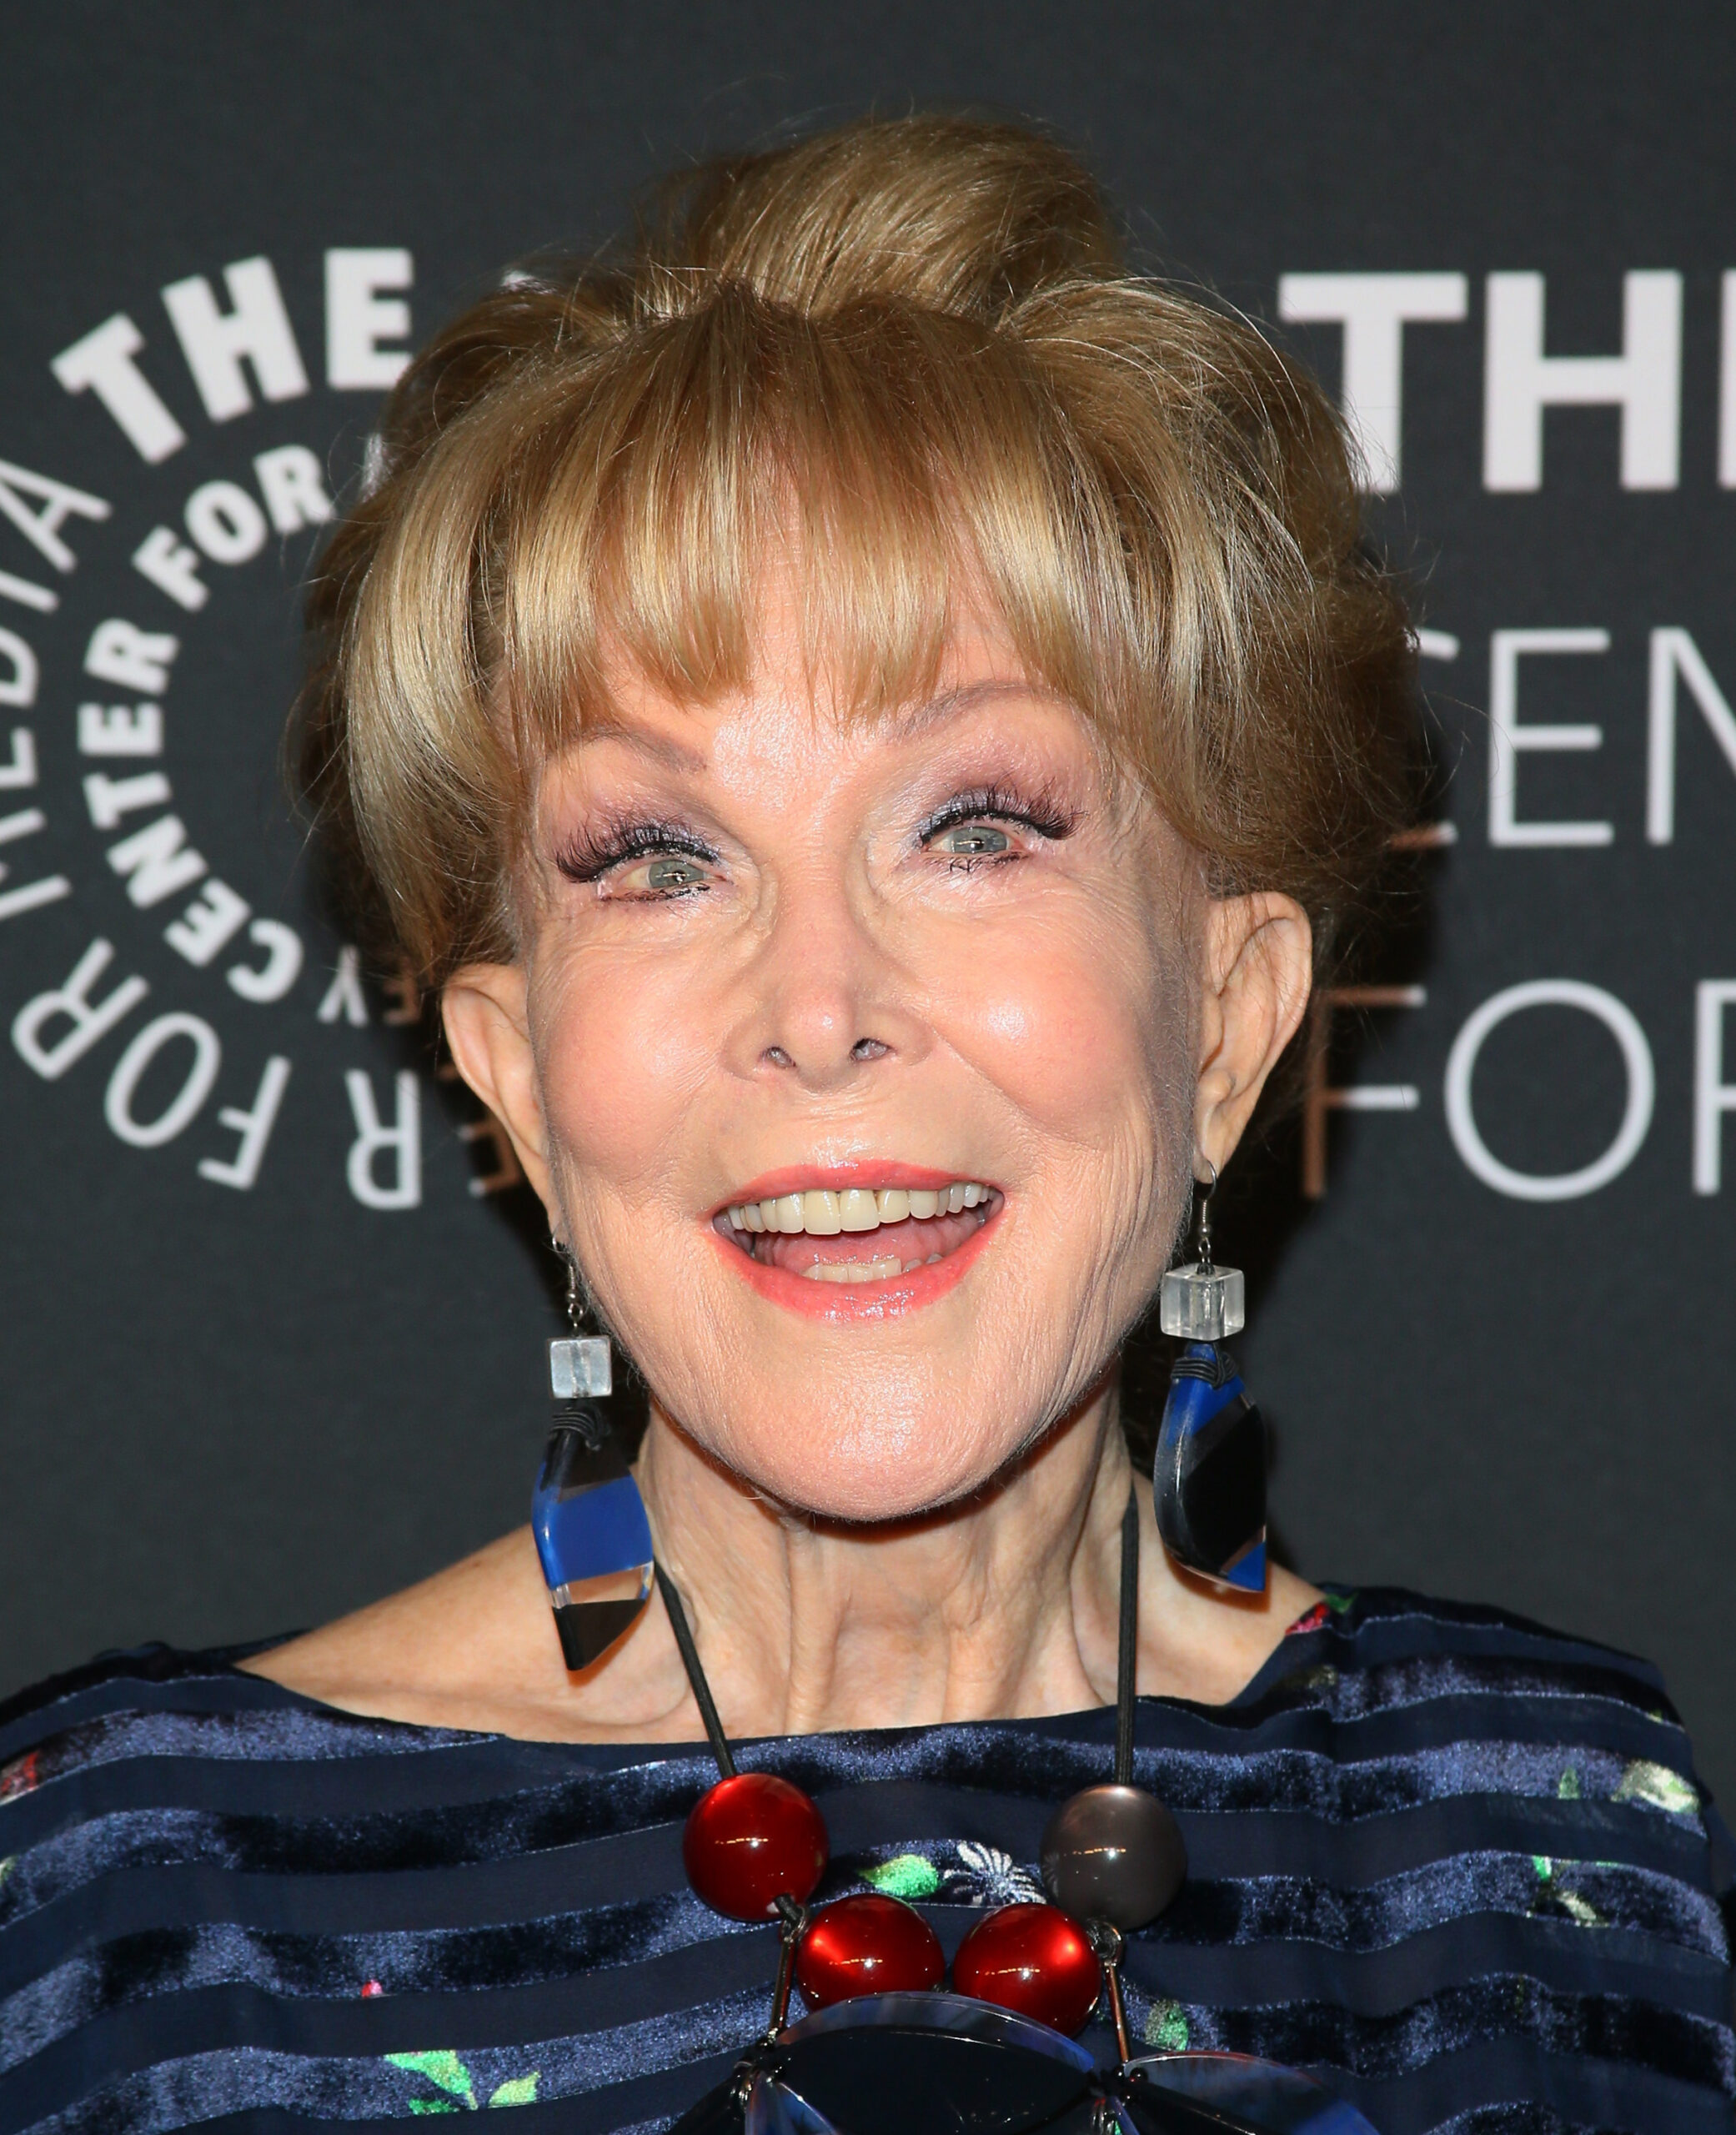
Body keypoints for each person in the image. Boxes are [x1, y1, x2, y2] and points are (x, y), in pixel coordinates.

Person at [1, 117, 1729, 2135]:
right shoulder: (128, 1917)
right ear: (513, 1072)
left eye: (974, 827)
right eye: (659, 855)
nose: (819, 1005)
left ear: (1232, 1021)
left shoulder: (1533, 1866)